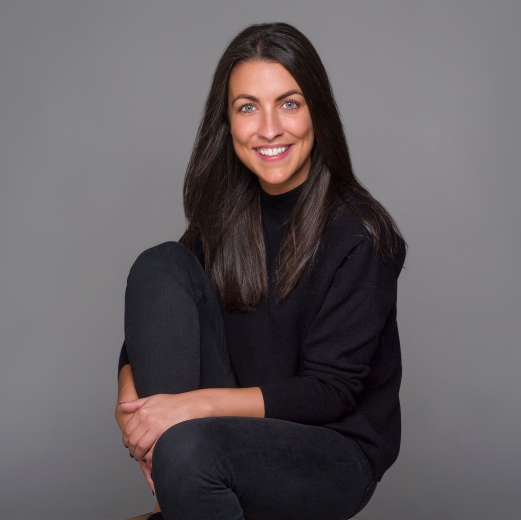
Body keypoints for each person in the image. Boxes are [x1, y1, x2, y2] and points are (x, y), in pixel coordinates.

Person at [115, 22, 406, 520]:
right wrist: (135, 415)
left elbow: (329, 393)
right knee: (159, 266)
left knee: (189, 449)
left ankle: (184, 474)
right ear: (228, 124)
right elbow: (161, 323)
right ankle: (185, 478)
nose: (269, 128)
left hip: (331, 452)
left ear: (318, 112)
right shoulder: (224, 215)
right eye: (248, 107)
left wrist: (187, 412)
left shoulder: (360, 233)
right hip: (223, 431)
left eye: (289, 103)